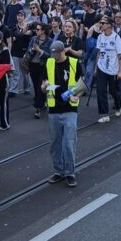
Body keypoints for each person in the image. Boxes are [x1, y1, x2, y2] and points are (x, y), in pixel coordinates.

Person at [42, 40, 84, 187]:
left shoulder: (74, 63)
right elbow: (43, 85)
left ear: (62, 51)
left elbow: (82, 83)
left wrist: (76, 95)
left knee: (69, 142)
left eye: (56, 54)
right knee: (55, 143)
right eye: (52, 54)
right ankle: (59, 171)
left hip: (70, 108)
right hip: (53, 109)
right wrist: (44, 86)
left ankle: (70, 172)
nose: (54, 57)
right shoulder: (49, 63)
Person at [95, 15, 121, 123]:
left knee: (113, 91)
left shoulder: (116, 38)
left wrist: (120, 71)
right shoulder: (100, 37)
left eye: (103, 23)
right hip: (101, 67)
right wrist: (96, 68)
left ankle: (119, 103)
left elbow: (120, 56)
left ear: (109, 25)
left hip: (113, 69)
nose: (101, 25)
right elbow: (99, 52)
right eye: (100, 23)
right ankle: (104, 114)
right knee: (100, 90)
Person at [27, 22, 52, 118]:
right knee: (35, 86)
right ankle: (42, 103)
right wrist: (32, 50)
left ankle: (37, 108)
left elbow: (49, 55)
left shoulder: (49, 41)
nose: (36, 31)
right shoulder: (34, 39)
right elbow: (29, 49)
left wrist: (39, 50)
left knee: (40, 86)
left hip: (43, 66)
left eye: (38, 29)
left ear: (43, 31)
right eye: (36, 29)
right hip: (33, 64)